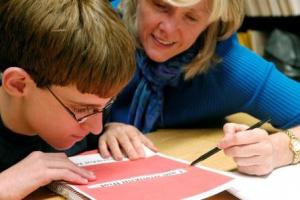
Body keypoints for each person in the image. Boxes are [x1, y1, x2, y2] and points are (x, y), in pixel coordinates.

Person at [99, 0, 300, 176]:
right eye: (160, 6)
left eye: (191, 17)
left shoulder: (230, 66)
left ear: (211, 21)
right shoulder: (97, 31)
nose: (168, 29)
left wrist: (278, 149)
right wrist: (98, 126)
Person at [0, 0, 135, 199]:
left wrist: (113, 129)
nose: (95, 127)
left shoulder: (78, 103)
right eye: (82, 110)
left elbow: (99, 127)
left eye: (107, 104)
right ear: (19, 84)